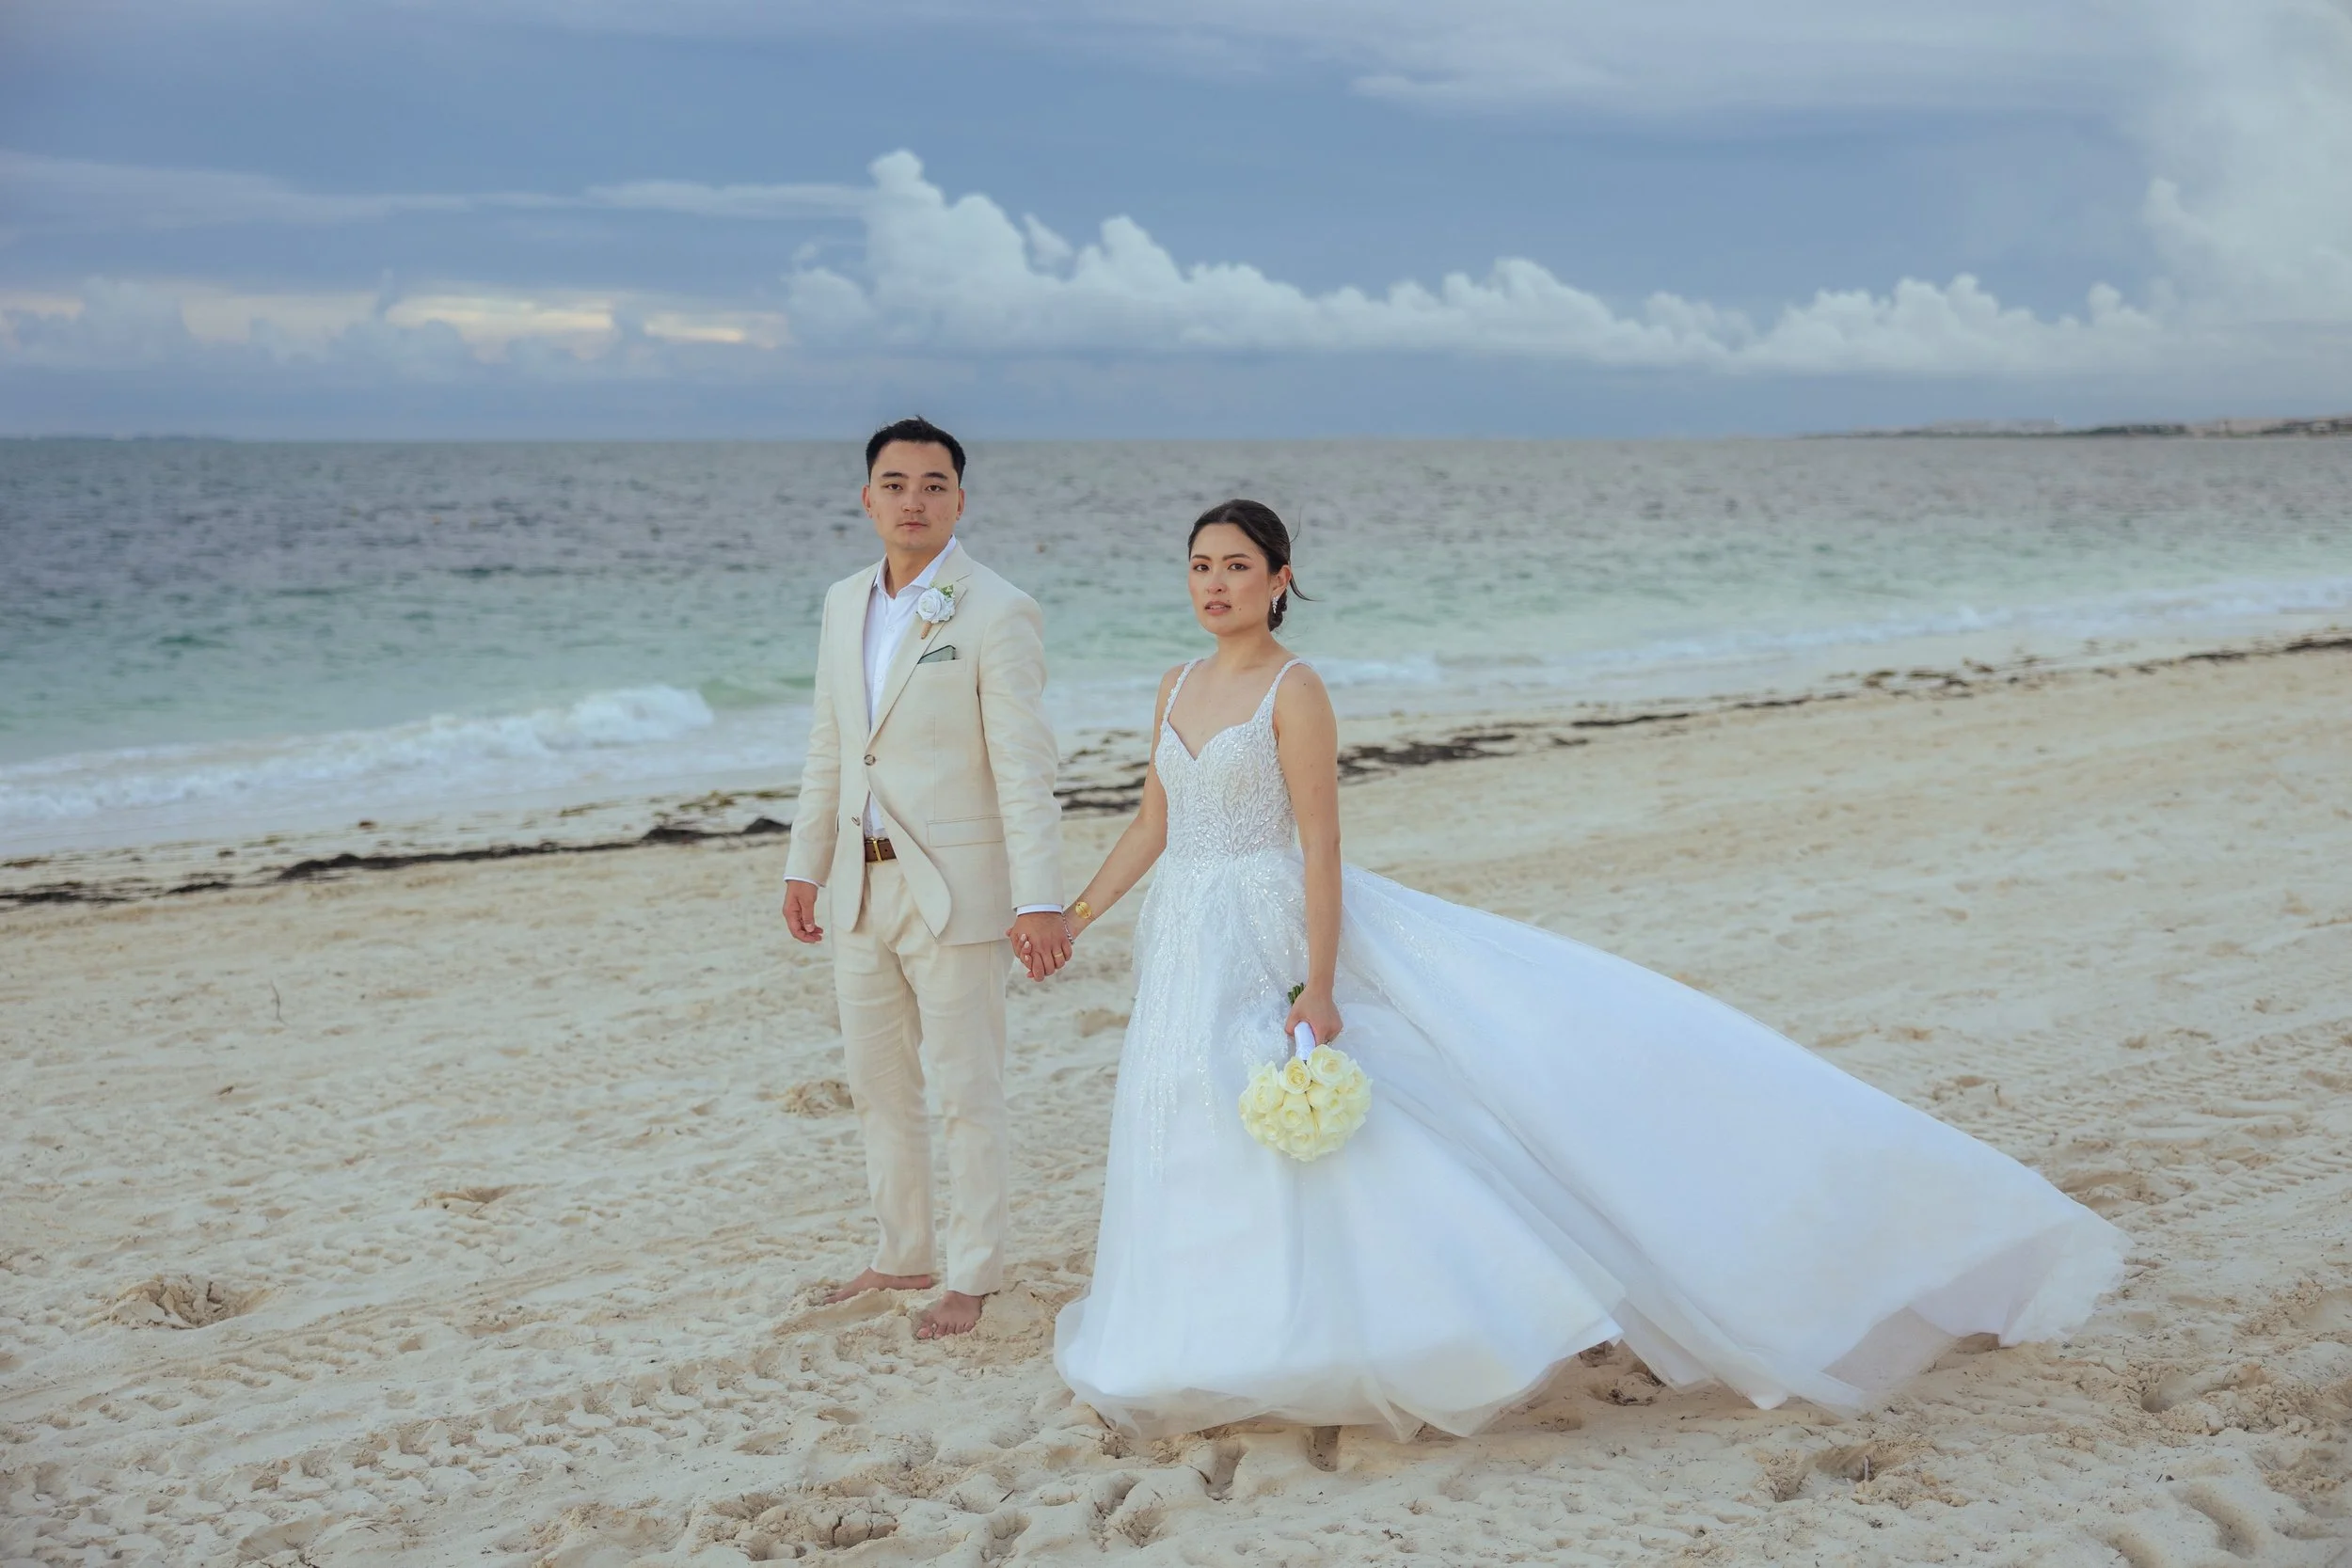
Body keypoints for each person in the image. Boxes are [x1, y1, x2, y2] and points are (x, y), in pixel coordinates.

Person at [1049, 499, 2124, 1436]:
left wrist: (1320, 983)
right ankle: (1201, 1329)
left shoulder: (1294, 687)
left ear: (1279, 581)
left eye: (1236, 565)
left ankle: (1434, 1317)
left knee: (1343, 1109)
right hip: (1186, 930)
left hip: (1273, 917)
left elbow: (1321, 842)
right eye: (1199, 565)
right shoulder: (1174, 682)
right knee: (1185, 1111)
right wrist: (1079, 911)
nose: (1214, 583)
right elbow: (1155, 816)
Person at [782, 418, 1071, 1339]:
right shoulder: (840, 603)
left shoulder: (995, 607)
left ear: (959, 500)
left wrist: (1038, 895)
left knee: (964, 1087)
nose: (914, 499)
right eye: (896, 482)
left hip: (957, 887)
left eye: (934, 483)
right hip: (856, 885)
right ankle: (901, 1246)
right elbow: (832, 741)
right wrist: (804, 861)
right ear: (867, 497)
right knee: (878, 1082)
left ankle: (974, 1270)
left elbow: (1025, 766)